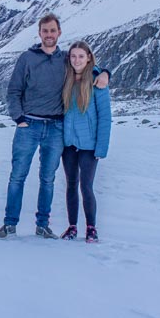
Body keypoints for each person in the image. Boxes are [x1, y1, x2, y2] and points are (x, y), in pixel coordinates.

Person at [0, 14, 108, 240]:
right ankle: (9, 224)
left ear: (59, 33)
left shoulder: (65, 59)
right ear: (39, 33)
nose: (49, 35)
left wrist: (105, 73)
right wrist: (18, 117)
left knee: (48, 179)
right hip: (28, 125)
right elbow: (14, 90)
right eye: (45, 31)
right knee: (18, 176)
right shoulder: (27, 58)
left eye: (53, 30)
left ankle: (42, 225)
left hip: (55, 128)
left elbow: (86, 65)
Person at [59, 41, 111, 243]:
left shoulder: (98, 83)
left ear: (89, 58)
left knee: (86, 186)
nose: (77, 60)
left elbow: (105, 118)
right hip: (69, 144)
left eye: (81, 56)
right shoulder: (66, 80)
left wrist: (101, 148)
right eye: (73, 56)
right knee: (71, 185)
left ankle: (91, 228)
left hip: (89, 146)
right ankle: (72, 226)